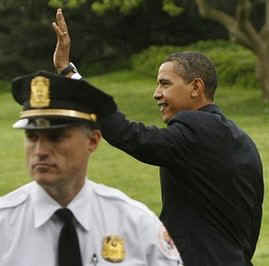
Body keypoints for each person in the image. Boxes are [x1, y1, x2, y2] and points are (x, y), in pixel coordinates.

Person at [52, 9, 264, 266]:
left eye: (165, 84)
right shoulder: (241, 140)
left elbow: (128, 135)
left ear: (196, 88)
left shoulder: (194, 129)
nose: (156, 93)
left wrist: (68, 73)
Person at [0, 71, 183, 266]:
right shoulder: (4, 224)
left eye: (56, 137)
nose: (40, 151)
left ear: (93, 141)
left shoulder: (134, 223)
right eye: (32, 136)